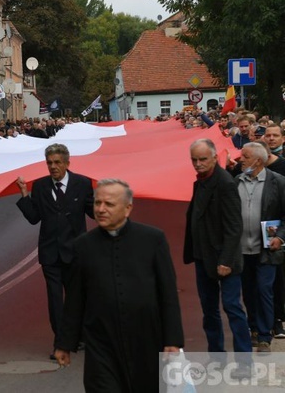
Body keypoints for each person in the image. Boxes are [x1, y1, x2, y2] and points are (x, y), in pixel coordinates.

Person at [54, 179, 184, 392]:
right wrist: (64, 343)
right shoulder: (83, 245)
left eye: (109, 204)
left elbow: (167, 292)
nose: (101, 209)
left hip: (145, 341)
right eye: (97, 203)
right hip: (101, 343)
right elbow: (75, 298)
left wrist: (173, 339)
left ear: (128, 208)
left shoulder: (153, 239)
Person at [15, 143, 94, 359]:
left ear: (67, 163)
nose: (53, 167)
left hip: (75, 253)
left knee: (76, 299)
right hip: (50, 254)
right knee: (55, 299)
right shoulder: (40, 186)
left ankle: (80, 336)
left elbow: (94, 212)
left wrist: (107, 201)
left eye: (57, 162)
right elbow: (34, 218)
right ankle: (61, 342)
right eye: (49, 163)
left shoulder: (83, 184)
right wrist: (24, 196)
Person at [184, 140, 252, 363]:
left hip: (225, 259)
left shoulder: (225, 183)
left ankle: (244, 362)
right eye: (194, 159)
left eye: (203, 159)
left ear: (214, 157)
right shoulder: (200, 181)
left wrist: (226, 260)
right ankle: (217, 357)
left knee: (232, 308)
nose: (197, 164)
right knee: (209, 310)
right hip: (203, 256)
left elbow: (234, 227)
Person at [236, 142, 285, 354]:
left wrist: (280, 238)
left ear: (257, 160)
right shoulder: (236, 182)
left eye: (245, 156)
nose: (240, 159)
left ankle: (265, 336)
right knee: (248, 291)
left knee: (264, 289)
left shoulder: (279, 183)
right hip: (242, 249)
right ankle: (254, 327)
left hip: (267, 249)